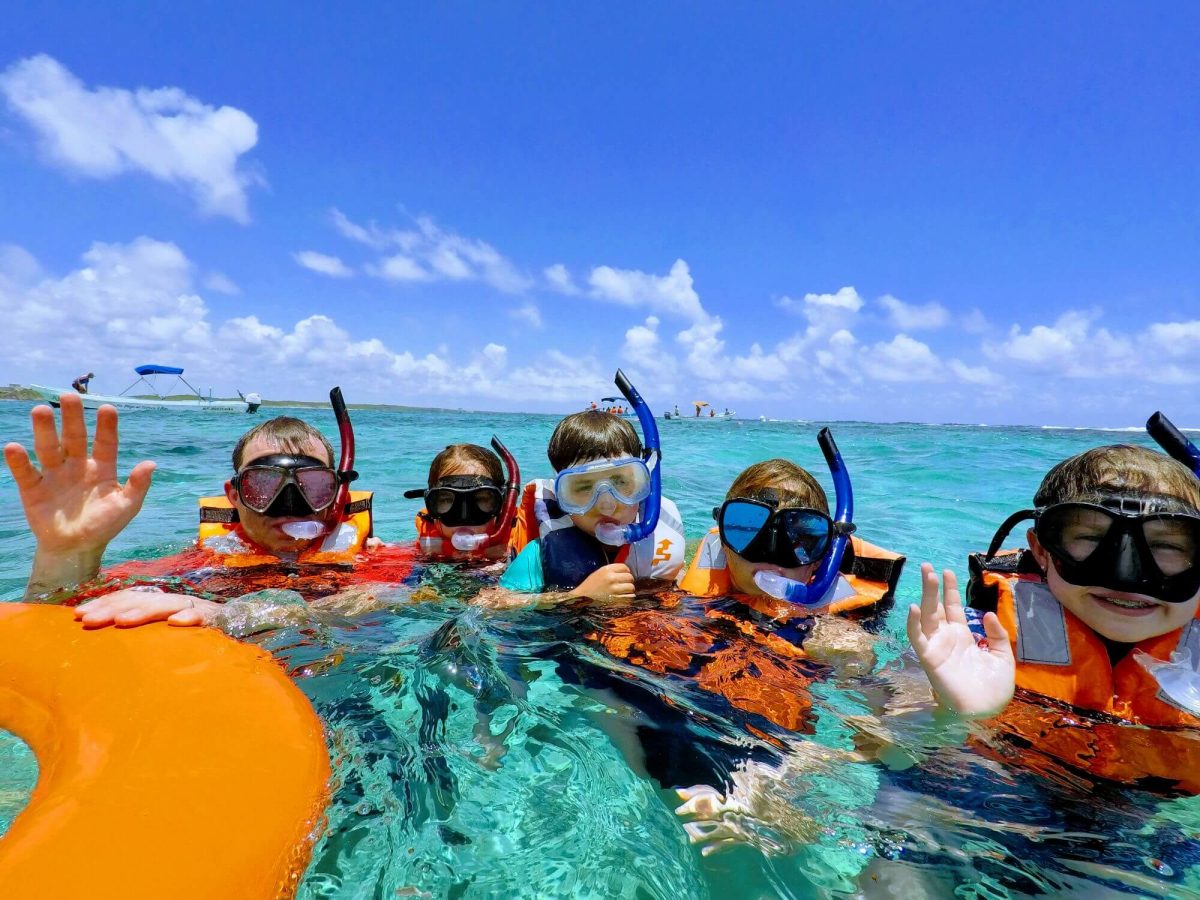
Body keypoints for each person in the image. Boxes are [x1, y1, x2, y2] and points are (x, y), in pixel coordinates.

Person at [909, 443, 1200, 792]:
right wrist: (950, 715)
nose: (1126, 574)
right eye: (1091, 537)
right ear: (1042, 550)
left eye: (1168, 545)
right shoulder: (971, 641)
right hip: (1002, 796)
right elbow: (888, 756)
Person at [5, 390, 385, 628]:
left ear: (336, 494)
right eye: (263, 486)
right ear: (234, 495)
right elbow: (57, 614)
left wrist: (225, 614)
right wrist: (67, 554)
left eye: (314, 487)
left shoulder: (370, 560)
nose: (290, 505)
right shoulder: (195, 568)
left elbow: (404, 600)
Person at [493, 406, 684, 604]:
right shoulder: (537, 556)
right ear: (561, 496)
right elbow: (491, 604)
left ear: (642, 483)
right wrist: (577, 595)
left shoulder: (660, 543)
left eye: (620, 482)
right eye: (584, 487)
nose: (606, 505)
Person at [405, 440, 518, 562]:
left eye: (482, 499)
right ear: (431, 504)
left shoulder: (523, 550)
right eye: (446, 499)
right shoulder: (424, 549)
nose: (464, 516)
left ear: (503, 503)